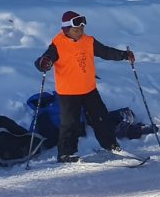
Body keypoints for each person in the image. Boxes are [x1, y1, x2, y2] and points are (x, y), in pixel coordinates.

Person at [33, 11, 136, 163]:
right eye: (76, 30)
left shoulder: (88, 41)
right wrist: (43, 63)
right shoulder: (57, 45)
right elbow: (43, 61)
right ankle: (66, 153)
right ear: (66, 30)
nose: (80, 32)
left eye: (82, 29)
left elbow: (105, 52)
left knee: (101, 118)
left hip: (89, 89)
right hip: (68, 93)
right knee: (70, 124)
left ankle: (110, 144)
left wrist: (123, 55)